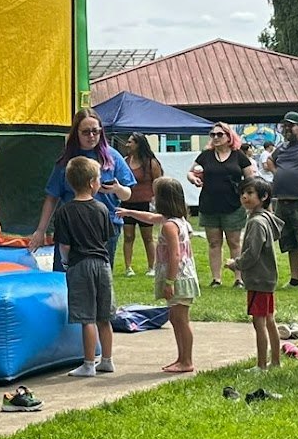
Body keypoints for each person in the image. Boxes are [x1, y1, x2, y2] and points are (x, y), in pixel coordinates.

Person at [29, 109, 135, 270]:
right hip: (72, 223)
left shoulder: (112, 157)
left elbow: (127, 194)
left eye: (95, 131)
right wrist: (40, 230)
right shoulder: (66, 161)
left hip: (105, 224)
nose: (91, 136)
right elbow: (52, 197)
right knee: (65, 273)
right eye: (86, 132)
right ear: (76, 133)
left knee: (100, 274)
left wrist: (117, 189)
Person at [121, 178, 199, 372]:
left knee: (181, 320)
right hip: (182, 276)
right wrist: (129, 212)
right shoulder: (176, 221)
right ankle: (182, 358)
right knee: (176, 319)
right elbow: (149, 217)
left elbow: (175, 255)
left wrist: (170, 281)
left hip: (179, 278)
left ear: (164, 199)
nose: (153, 198)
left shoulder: (169, 226)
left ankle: (186, 361)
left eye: (155, 194)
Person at [51, 157, 115, 377]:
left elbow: (65, 245)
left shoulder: (64, 211)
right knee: (104, 316)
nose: (100, 183)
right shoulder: (102, 209)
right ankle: (107, 360)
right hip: (102, 264)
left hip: (80, 265)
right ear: (91, 183)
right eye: (98, 179)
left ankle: (89, 364)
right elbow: (106, 238)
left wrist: (67, 263)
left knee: (87, 318)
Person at [187, 122, 256, 286]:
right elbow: (190, 172)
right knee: (214, 242)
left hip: (233, 205)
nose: (216, 138)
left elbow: (250, 179)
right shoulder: (206, 155)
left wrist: (247, 197)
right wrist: (193, 179)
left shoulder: (238, 156)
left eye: (220, 134)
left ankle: (239, 278)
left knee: (234, 242)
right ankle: (216, 279)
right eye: (213, 135)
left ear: (229, 137)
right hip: (209, 205)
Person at [229, 178, 284, 370]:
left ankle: (261, 365)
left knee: (259, 322)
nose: (245, 196)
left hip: (259, 279)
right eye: (243, 193)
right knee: (269, 319)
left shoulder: (256, 222)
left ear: (264, 197)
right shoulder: (266, 218)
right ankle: (275, 361)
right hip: (267, 278)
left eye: (250, 193)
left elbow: (252, 252)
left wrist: (236, 264)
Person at [263, 112, 298, 287]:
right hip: (282, 199)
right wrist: (277, 173)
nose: (287, 129)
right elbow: (269, 160)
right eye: (285, 126)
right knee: (290, 241)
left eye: (291, 125)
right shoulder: (282, 147)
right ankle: (295, 278)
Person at [119, 134, 164, 276]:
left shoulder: (151, 163)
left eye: (130, 142)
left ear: (138, 144)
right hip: (127, 203)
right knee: (128, 235)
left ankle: (152, 266)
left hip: (145, 203)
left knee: (148, 236)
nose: (127, 144)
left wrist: (156, 201)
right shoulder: (125, 162)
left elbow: (158, 182)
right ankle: (128, 267)